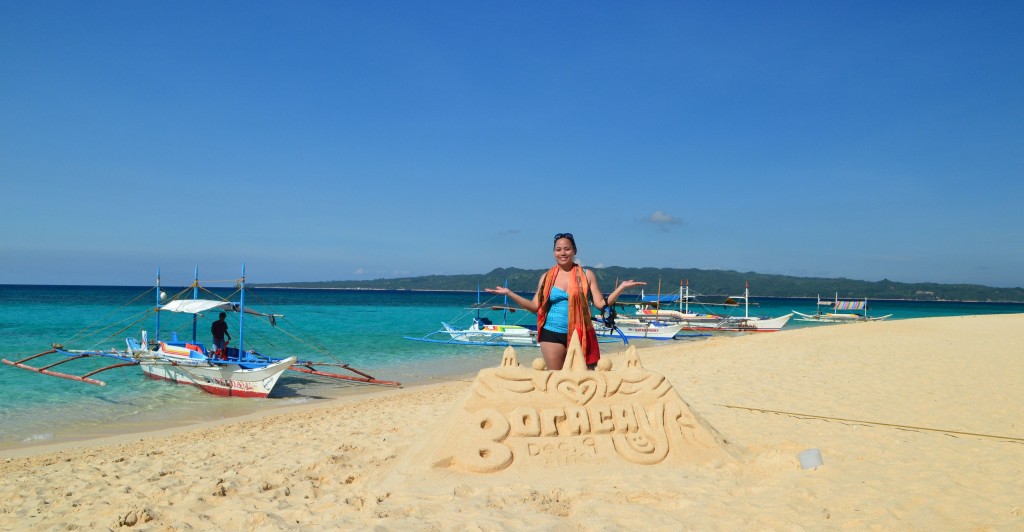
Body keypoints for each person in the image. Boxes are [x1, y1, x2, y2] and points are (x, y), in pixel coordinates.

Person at [486, 232, 645, 370]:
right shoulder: (547, 277)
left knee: (584, 377)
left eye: (567, 249)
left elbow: (601, 304)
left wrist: (621, 287)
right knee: (556, 378)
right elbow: (535, 306)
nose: (563, 253)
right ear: (554, 252)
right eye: (558, 249)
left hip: (580, 333)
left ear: (574, 251)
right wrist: (509, 293)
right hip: (552, 333)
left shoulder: (587, 275)